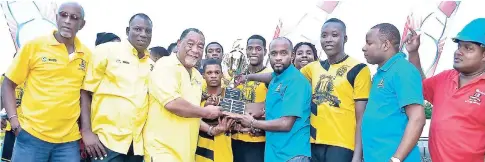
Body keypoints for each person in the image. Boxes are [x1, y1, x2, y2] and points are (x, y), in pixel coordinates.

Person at [238, 18, 371, 162]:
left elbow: (361, 118)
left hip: (342, 145)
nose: (328, 40)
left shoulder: (359, 69)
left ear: (345, 38)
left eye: (334, 35)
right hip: (313, 144)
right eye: (324, 35)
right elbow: (279, 76)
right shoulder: (312, 68)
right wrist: (248, 77)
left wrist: (357, 156)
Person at [1, 2, 90, 162]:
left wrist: (87, 130)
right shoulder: (34, 46)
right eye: (63, 15)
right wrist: (14, 121)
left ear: (82, 24)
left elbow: (84, 95)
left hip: (68, 142)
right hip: (31, 137)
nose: (68, 21)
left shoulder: (87, 55)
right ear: (56, 18)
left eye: (74, 18)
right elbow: (9, 83)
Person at [406, 18, 485, 162]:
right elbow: (420, 85)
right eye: (459, 46)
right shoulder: (445, 78)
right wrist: (413, 53)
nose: (458, 52)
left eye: (468, 48)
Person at [80, 13, 154, 162]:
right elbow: (85, 91)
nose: (143, 34)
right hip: (105, 141)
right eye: (138, 29)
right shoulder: (106, 51)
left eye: (148, 31)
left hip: (137, 145)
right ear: (127, 31)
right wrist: (87, 132)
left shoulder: (152, 65)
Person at [143, 28, 223, 162]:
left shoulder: (197, 75)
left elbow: (192, 112)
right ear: (179, 43)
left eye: (200, 46)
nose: (195, 50)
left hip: (186, 153)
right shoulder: (165, 65)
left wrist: (210, 129)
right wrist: (206, 112)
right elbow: (173, 104)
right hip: (162, 151)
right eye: (190, 44)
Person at [231, 37, 312, 162]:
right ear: (269, 56)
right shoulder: (278, 77)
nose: (278, 57)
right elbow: (269, 76)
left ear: (292, 55)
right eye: (274, 53)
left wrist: (253, 123)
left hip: (293, 155)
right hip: (276, 153)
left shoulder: (296, 81)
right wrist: (247, 77)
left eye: (283, 53)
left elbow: (286, 124)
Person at [361, 23, 425, 162]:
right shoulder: (381, 73)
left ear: (385, 45)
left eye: (369, 43)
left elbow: (418, 118)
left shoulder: (403, 70)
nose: (364, 47)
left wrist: (396, 159)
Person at [231, 34, 272, 162]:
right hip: (235, 139)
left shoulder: (270, 76)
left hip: (258, 141)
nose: (253, 52)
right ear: (246, 50)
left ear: (265, 52)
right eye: (250, 48)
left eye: (258, 49)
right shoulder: (238, 76)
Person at [196, 59, 236, 162]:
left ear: (222, 75)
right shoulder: (196, 97)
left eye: (217, 72)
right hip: (200, 151)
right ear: (203, 75)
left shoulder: (232, 95)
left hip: (225, 151)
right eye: (209, 73)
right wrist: (204, 106)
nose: (213, 75)